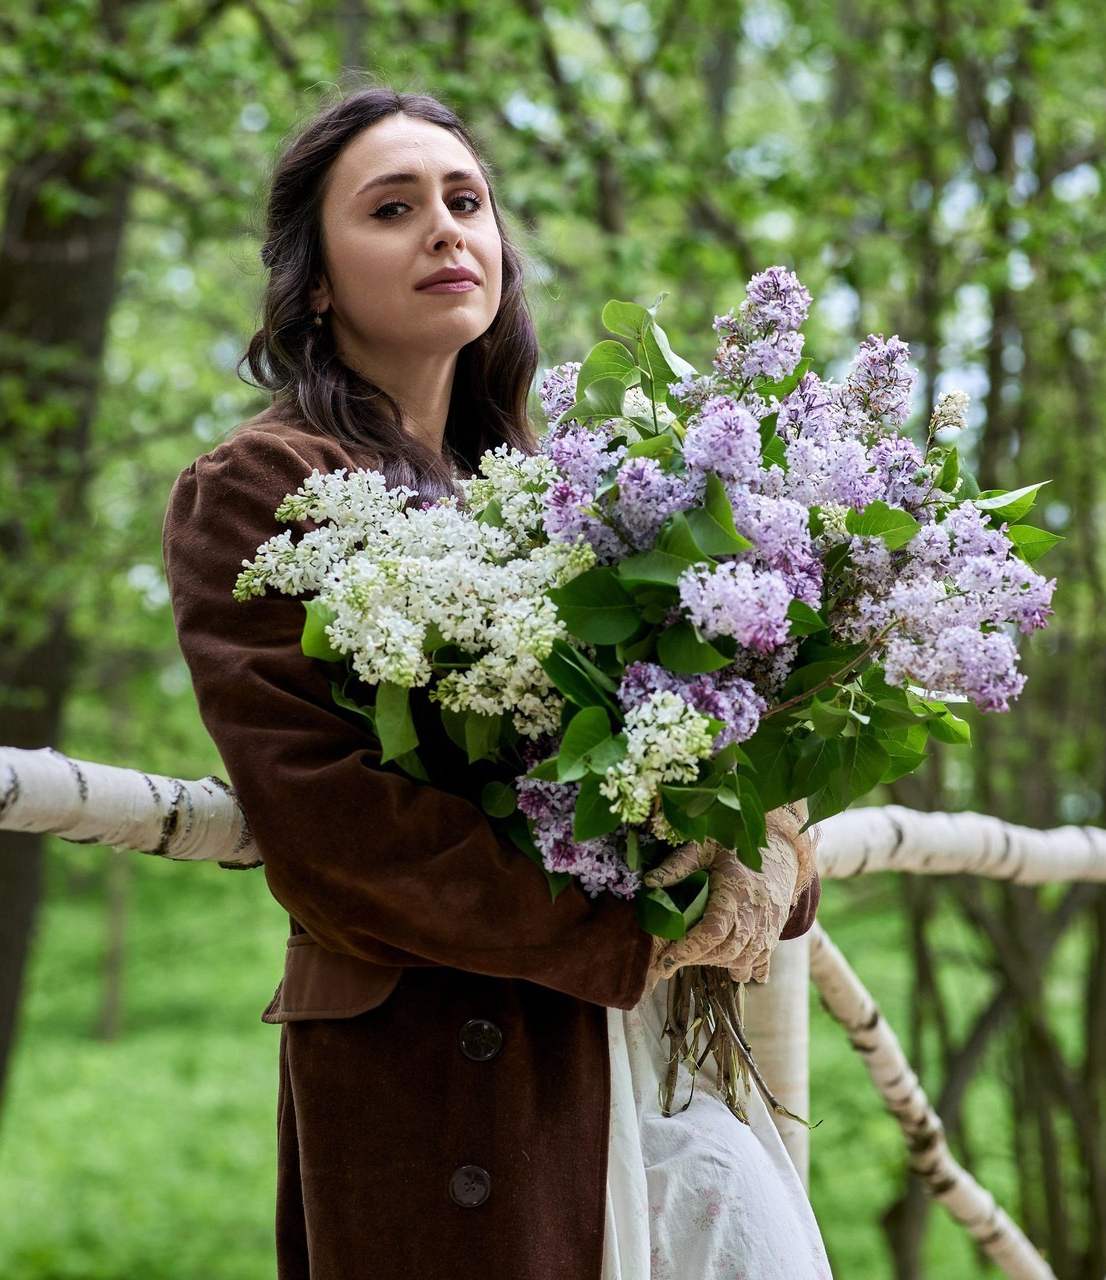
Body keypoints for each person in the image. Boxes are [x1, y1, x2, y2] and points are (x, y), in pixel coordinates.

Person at [162, 87, 828, 1280]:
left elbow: (702, 749)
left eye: (464, 201)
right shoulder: (261, 484)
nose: (443, 229)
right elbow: (332, 823)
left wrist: (767, 849)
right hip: (445, 1076)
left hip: (642, 1063)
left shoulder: (560, 492)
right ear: (315, 280)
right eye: (392, 207)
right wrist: (631, 931)